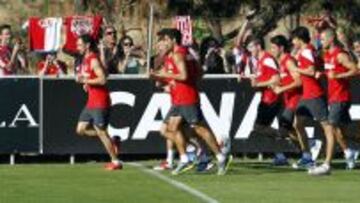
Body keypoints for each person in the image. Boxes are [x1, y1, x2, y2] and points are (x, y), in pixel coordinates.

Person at [150, 28, 231, 175]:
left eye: (165, 40)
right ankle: (184, 157)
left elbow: (183, 75)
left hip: (186, 98)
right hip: (179, 98)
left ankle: (219, 156)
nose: (163, 43)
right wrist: (158, 77)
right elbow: (199, 73)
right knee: (171, 128)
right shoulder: (182, 54)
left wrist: (164, 75)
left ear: (173, 40)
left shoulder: (179, 54)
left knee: (199, 128)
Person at [291, 26, 335, 175]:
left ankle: (327, 164)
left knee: (328, 128)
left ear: (299, 39)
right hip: (307, 95)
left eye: (294, 39)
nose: (292, 42)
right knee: (297, 123)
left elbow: (310, 70)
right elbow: (318, 67)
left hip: (315, 95)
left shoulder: (307, 51)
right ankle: (307, 157)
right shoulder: (309, 50)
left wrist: (297, 69)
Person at [75, 34, 121, 171]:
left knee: (101, 132)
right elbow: (98, 75)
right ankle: (112, 141)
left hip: (100, 101)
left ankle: (116, 161)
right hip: (91, 102)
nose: (77, 47)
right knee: (80, 130)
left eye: (79, 44)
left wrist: (85, 81)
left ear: (87, 45)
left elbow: (103, 80)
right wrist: (87, 83)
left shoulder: (93, 59)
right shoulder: (86, 59)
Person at [270, 35, 315, 169]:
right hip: (289, 98)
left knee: (286, 127)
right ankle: (308, 148)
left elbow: (299, 81)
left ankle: (307, 153)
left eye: (273, 47)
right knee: (288, 129)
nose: (271, 50)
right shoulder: (280, 61)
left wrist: (281, 88)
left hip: (296, 98)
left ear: (281, 48)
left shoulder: (288, 61)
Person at [245, 36, 287, 164]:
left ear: (258, 46)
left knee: (259, 127)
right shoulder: (260, 61)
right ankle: (280, 155)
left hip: (272, 98)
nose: (250, 50)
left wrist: (257, 84)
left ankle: (285, 137)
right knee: (262, 128)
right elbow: (264, 79)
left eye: (251, 47)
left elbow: (276, 79)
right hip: (266, 97)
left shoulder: (267, 59)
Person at [320, 28, 358, 169]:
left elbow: (355, 69)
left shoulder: (340, 55)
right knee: (342, 132)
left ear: (331, 39)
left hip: (341, 97)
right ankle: (349, 152)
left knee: (330, 127)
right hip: (334, 97)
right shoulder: (327, 55)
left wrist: (337, 76)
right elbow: (331, 71)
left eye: (323, 39)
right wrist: (322, 74)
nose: (321, 41)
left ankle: (328, 163)